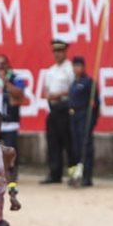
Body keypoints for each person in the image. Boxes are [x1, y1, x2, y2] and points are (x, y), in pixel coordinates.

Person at [40, 39, 74, 184]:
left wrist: (59, 95)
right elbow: (46, 89)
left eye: (60, 51)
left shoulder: (70, 68)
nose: (57, 54)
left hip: (65, 107)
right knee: (53, 143)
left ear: (65, 51)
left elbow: (73, 89)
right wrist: (48, 96)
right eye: (55, 51)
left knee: (69, 143)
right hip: (52, 108)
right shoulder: (51, 70)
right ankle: (55, 174)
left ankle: (73, 173)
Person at [67, 56, 100, 188]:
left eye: (78, 66)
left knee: (86, 146)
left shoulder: (89, 82)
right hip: (73, 116)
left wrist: (92, 120)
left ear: (83, 67)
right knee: (76, 147)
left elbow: (96, 103)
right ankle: (77, 175)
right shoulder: (74, 82)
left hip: (84, 116)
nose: (76, 69)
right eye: (74, 66)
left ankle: (87, 176)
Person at [0, 54, 26, 152]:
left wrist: (5, 81)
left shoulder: (16, 78)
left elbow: (19, 93)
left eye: (2, 63)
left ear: (8, 64)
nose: (0, 66)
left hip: (10, 123)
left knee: (10, 153)